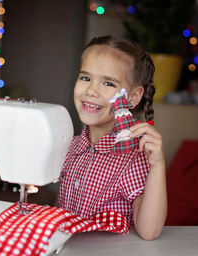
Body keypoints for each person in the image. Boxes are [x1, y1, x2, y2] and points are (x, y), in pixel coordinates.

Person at [57, 36, 167, 240]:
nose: (91, 90)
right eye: (85, 78)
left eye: (108, 83)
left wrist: (158, 166)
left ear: (133, 98)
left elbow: (149, 230)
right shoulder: (72, 146)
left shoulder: (134, 155)